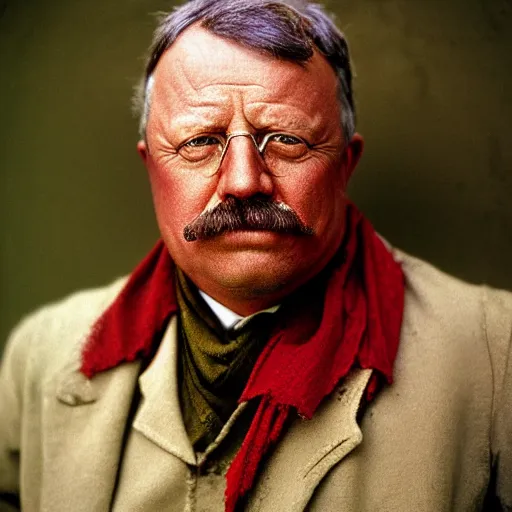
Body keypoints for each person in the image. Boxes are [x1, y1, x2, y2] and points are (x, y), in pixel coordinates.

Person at [0, 0, 511, 510]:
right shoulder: (41, 357)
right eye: (200, 141)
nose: (244, 182)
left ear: (345, 165)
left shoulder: (495, 359)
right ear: (152, 167)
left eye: (287, 140)